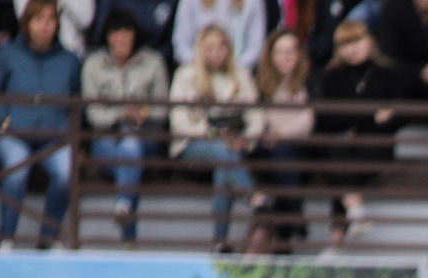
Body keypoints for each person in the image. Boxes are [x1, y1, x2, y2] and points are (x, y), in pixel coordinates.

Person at [0, 0, 83, 248]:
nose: (45, 26)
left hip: (54, 137)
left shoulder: (70, 60)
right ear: (26, 23)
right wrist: (4, 120)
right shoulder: (8, 54)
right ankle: (6, 239)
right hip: (13, 135)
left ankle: (47, 241)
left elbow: (77, 104)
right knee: (17, 169)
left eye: (51, 20)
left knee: (67, 173)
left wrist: (70, 133)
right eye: (38, 19)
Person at [169, 19, 258, 248]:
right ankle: (253, 196)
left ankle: (219, 242)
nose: (216, 53)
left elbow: (256, 116)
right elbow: (179, 122)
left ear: (229, 49)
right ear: (200, 50)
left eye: (221, 47)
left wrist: (245, 139)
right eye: (209, 48)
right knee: (221, 149)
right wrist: (211, 132)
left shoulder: (241, 75)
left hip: (231, 147)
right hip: (193, 147)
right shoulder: (186, 75)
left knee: (224, 166)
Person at [314, 14, 401, 243]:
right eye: (344, 44)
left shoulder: (387, 74)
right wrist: (371, 114)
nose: (351, 49)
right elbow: (328, 117)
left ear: (370, 41)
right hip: (341, 147)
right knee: (338, 152)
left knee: (341, 165)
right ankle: (355, 210)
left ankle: (337, 239)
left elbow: (393, 118)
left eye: (356, 42)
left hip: (374, 148)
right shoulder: (331, 76)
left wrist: (354, 119)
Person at [82, 13, 168, 244]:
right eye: (116, 36)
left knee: (132, 147)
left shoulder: (153, 61)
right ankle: (127, 229)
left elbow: (163, 110)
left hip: (145, 138)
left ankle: (123, 208)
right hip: (106, 141)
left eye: (127, 37)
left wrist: (143, 113)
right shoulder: (93, 64)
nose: (121, 41)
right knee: (129, 157)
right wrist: (121, 113)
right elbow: (93, 114)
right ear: (107, 38)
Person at [245, 25, 311, 250]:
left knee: (285, 153)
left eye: (291, 51)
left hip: (300, 146)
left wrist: (283, 133)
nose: (286, 57)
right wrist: (276, 134)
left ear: (299, 55)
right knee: (280, 154)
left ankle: (288, 222)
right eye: (280, 52)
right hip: (269, 148)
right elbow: (259, 116)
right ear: (271, 56)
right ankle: (292, 215)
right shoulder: (260, 82)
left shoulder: (309, 80)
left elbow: (309, 118)